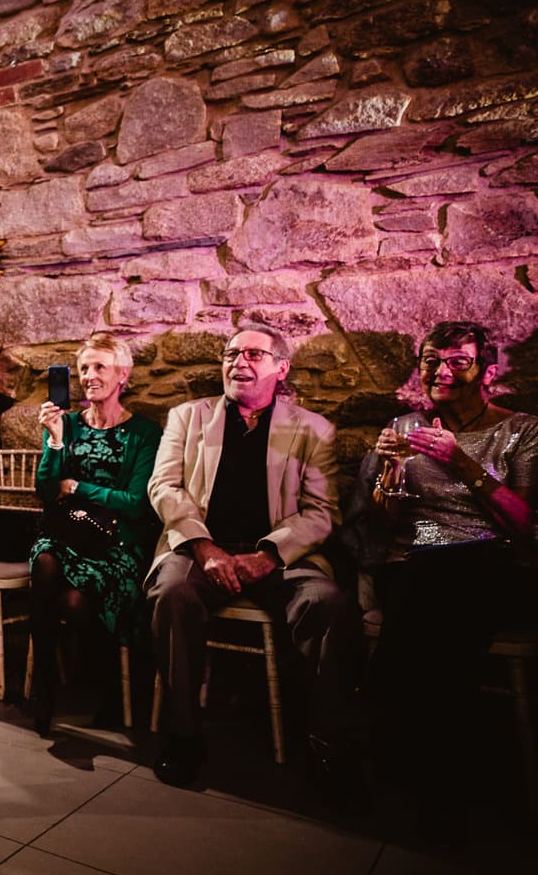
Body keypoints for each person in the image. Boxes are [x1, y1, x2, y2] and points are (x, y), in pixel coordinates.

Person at [146, 323, 362, 794]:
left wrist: (268, 555)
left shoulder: (313, 429)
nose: (238, 362)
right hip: (201, 546)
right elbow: (164, 487)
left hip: (278, 554)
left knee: (327, 603)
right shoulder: (187, 417)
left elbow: (322, 512)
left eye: (253, 355)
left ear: (281, 368)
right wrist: (204, 549)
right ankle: (183, 737)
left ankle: (328, 746)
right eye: (231, 353)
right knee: (172, 594)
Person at [359, 321, 535, 827]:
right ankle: (441, 781)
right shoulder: (405, 425)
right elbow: (387, 520)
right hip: (423, 562)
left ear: (488, 371)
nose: (441, 371)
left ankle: (402, 760)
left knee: (441, 585)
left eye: (458, 360)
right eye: (432, 361)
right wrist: (389, 476)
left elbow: (524, 522)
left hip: (494, 560)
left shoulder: (520, 429)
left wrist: (463, 462)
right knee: (431, 579)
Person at [30, 333, 161, 735]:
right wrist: (54, 440)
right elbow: (45, 490)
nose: (89, 375)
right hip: (67, 533)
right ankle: (45, 681)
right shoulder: (66, 423)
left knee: (74, 599)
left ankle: (104, 682)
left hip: (116, 542)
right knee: (46, 561)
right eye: (84, 367)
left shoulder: (143, 433)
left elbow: (137, 502)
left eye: (99, 367)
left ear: (123, 375)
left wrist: (80, 488)